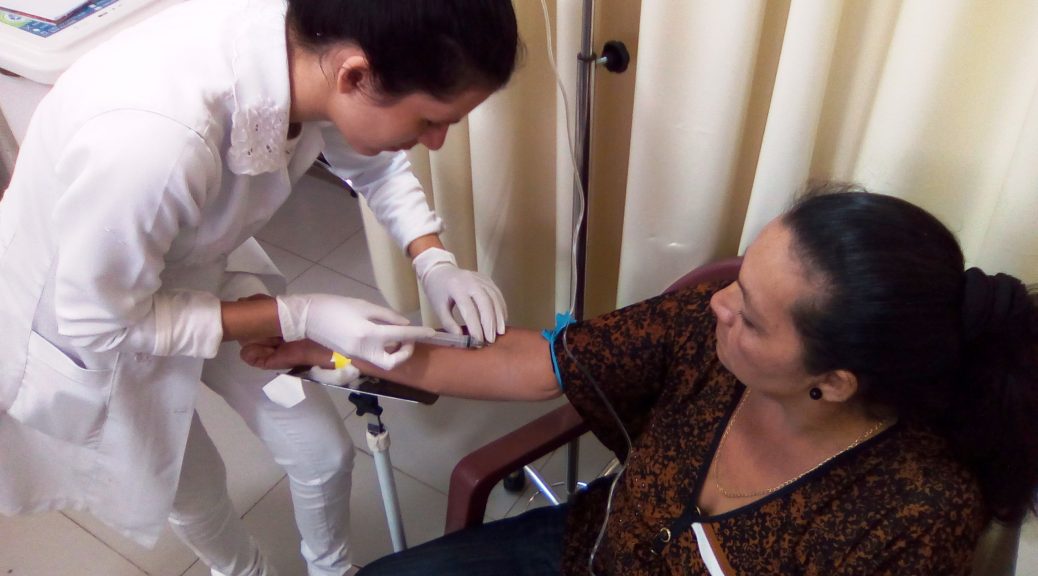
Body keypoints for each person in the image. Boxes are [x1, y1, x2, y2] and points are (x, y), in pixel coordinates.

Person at [243, 187, 1038, 575]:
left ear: (829, 383)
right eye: (739, 280)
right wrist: (337, 347)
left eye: (752, 316)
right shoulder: (702, 335)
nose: (717, 301)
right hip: (583, 550)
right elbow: (532, 362)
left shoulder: (912, 515)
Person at [0, 0, 519, 575]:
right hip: (90, 318)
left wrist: (434, 259)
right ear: (353, 74)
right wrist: (296, 316)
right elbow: (100, 322)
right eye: (429, 121)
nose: (439, 141)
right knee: (189, 486)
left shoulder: (315, 49)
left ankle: (329, 567)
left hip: (196, 268)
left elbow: (368, 154)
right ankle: (242, 572)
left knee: (321, 451)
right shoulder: (154, 140)